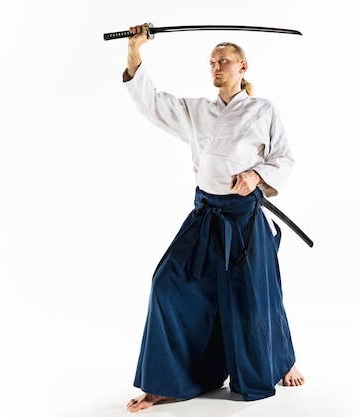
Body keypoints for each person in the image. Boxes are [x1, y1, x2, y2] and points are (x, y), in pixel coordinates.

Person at [122, 22, 304, 413]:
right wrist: (136, 50)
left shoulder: (263, 109)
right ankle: (167, 381)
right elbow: (150, 101)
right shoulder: (196, 111)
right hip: (206, 215)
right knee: (167, 284)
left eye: (224, 60)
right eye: (212, 62)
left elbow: (284, 158)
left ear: (243, 67)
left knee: (255, 297)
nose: (216, 66)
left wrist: (256, 175)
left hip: (244, 219)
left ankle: (280, 363)